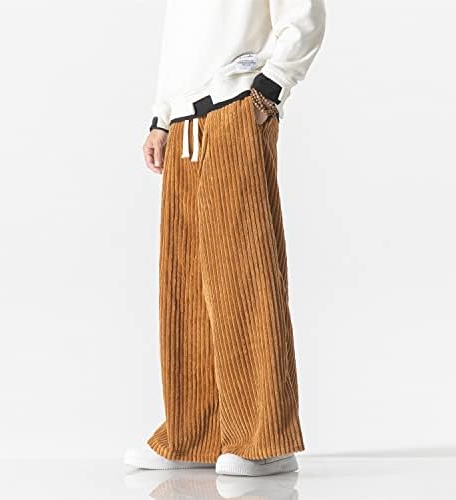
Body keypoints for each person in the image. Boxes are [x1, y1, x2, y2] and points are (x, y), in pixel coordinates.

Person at [125, 0, 326, 477]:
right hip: (184, 124)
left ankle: (265, 438)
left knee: (243, 277)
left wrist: (270, 88)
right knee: (187, 285)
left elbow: (304, 17)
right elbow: (181, 37)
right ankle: (194, 435)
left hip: (236, 107)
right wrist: (161, 117)